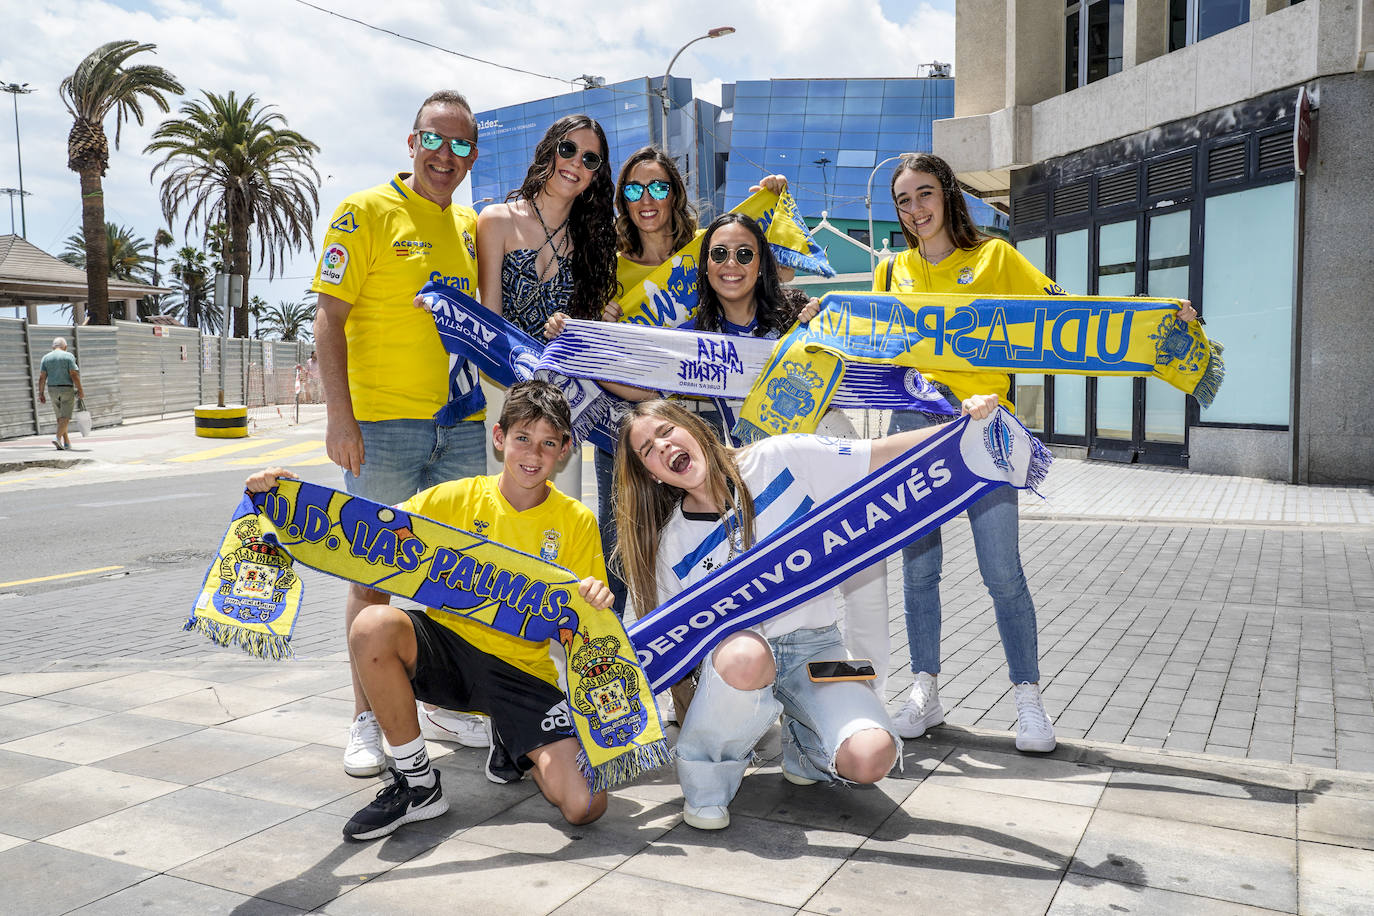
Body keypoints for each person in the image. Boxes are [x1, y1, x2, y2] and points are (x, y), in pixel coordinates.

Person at [875, 153, 1198, 752]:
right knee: (919, 571)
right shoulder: (891, 270)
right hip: (912, 424)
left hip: (985, 424)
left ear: (947, 195)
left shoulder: (994, 257)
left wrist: (1153, 317)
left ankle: (1028, 698)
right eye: (904, 201)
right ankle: (925, 687)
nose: (916, 210)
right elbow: (866, 342)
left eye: (924, 194)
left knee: (1002, 570)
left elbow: (1064, 310)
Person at [613, 393, 1003, 829]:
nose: (663, 446)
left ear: (693, 427)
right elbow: (679, 651)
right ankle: (706, 780)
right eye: (648, 450)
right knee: (746, 653)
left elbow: (878, 456)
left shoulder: (780, 457)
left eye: (667, 431)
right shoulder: (672, 544)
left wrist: (965, 427)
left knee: (872, 756)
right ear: (650, 474)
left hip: (816, 645)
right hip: (736, 666)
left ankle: (806, 745)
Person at [245, 381, 612, 841]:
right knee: (373, 625)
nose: (533, 453)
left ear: (564, 451)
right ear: (499, 439)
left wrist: (594, 601)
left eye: (548, 443)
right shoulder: (454, 498)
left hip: (524, 672)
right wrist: (291, 496)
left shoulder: (576, 520)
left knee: (585, 805)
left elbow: (582, 629)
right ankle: (418, 782)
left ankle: (514, 742)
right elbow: (363, 532)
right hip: (450, 652)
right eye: (522, 438)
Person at [312, 89, 491, 776]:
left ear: (473, 154)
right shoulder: (364, 212)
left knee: (458, 574)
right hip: (381, 427)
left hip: (463, 426)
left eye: (462, 145)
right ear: (411, 142)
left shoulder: (471, 226)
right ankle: (365, 720)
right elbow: (328, 319)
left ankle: (445, 703)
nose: (447, 156)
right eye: (435, 141)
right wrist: (340, 418)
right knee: (372, 575)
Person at [688, 213, 891, 698]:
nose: (731, 264)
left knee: (864, 580)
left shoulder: (802, 312)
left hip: (830, 455)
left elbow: (871, 361)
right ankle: (775, 705)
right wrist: (583, 337)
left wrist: (831, 330)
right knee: (773, 595)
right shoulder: (692, 333)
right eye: (719, 254)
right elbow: (639, 380)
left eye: (744, 254)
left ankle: (866, 701)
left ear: (762, 264)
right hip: (761, 479)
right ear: (705, 265)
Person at [475, 114, 619, 502]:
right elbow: (490, 320)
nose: (576, 163)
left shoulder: (595, 242)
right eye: (568, 149)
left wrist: (599, 322)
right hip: (503, 386)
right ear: (549, 151)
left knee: (561, 506)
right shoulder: (496, 221)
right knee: (501, 507)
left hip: (564, 396)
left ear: (596, 175)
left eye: (590, 160)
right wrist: (518, 398)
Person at [37, 337, 84, 451]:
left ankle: (66, 442)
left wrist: (41, 393)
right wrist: (80, 389)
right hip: (66, 389)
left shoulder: (46, 358)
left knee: (60, 417)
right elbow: (73, 374)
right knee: (65, 417)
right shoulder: (68, 356)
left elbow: (42, 377)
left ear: (53, 347)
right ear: (65, 347)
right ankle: (57, 438)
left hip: (52, 390)